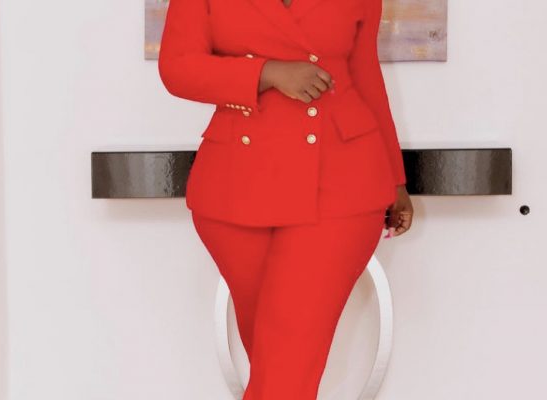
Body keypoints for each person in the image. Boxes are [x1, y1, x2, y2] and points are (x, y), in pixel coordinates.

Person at [158, 0, 413, 397]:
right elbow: (177, 67)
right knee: (278, 368)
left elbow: (365, 72)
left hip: (342, 182)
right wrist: (266, 73)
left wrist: (395, 178)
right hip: (236, 191)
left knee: (285, 368)